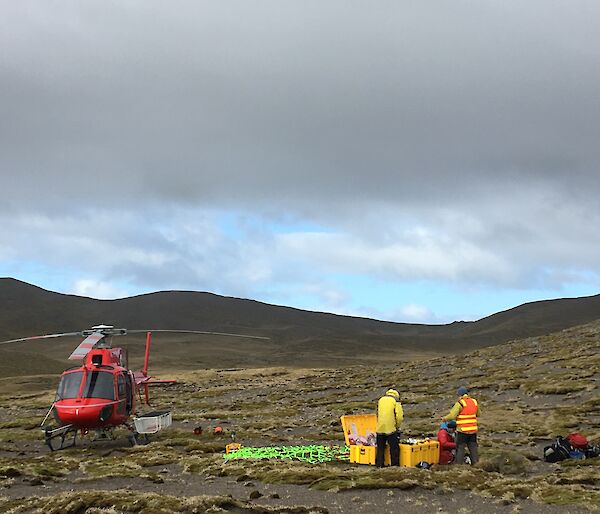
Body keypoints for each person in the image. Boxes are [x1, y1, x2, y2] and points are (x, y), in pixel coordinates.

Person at [442, 386, 479, 464]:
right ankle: (476, 464)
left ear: (460, 395)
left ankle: (458, 465)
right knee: (473, 448)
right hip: (473, 430)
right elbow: (478, 413)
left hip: (462, 430)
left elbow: (452, 415)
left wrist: (445, 418)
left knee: (460, 448)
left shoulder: (460, 403)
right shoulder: (474, 402)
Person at [376, 388, 403, 467]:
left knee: (380, 448)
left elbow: (377, 413)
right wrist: (397, 426)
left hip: (380, 428)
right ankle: (394, 466)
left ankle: (379, 465)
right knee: (394, 448)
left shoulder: (381, 400)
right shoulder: (395, 401)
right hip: (391, 428)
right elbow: (399, 417)